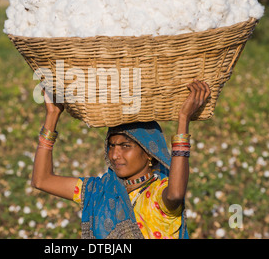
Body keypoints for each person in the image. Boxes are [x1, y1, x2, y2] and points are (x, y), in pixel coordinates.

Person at [32, 80, 211, 239]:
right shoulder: (99, 190)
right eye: (111, 146)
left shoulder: (158, 194)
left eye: (125, 146)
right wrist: (53, 115)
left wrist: (183, 119)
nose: (115, 155)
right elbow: (42, 180)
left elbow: (176, 194)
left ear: (149, 152)